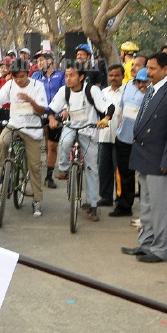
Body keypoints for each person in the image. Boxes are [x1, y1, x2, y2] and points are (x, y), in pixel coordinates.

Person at [121, 52, 167, 263]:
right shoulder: (152, 90)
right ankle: (146, 243)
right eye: (147, 68)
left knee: (161, 209)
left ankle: (161, 249)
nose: (147, 72)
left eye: (152, 69)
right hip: (144, 156)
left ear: (165, 69)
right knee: (147, 206)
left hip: (160, 160)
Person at [47, 63, 112, 221]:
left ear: (81, 77)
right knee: (64, 141)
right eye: (66, 75)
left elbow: (108, 106)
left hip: (89, 130)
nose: (68, 79)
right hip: (71, 126)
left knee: (91, 168)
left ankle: (92, 205)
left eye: (72, 75)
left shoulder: (92, 90)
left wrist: (106, 118)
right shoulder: (64, 91)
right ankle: (63, 168)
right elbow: (51, 109)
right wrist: (51, 119)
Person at [0, 58, 47, 217]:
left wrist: (30, 100)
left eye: (22, 76)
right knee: (1, 142)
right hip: (14, 125)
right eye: (16, 77)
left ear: (27, 74)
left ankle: (37, 200)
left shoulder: (37, 86)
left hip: (32, 129)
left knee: (34, 167)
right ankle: (2, 171)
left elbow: (42, 110)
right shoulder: (10, 85)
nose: (19, 80)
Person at [110, 66, 149, 217]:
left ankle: (147, 211)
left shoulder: (152, 93)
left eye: (145, 82)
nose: (141, 85)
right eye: (139, 82)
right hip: (123, 138)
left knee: (143, 176)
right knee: (123, 173)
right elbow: (121, 108)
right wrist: (119, 124)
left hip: (141, 141)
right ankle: (123, 205)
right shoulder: (127, 86)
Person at [32, 50, 65, 188]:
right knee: (33, 143)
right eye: (37, 61)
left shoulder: (61, 75)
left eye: (42, 60)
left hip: (55, 114)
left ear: (50, 61)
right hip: (38, 113)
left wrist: (64, 109)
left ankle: (49, 176)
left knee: (52, 146)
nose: (39, 63)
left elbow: (65, 93)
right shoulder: (35, 76)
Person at [97, 66, 123, 206]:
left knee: (119, 169)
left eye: (117, 75)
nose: (113, 78)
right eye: (111, 75)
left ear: (122, 76)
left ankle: (120, 197)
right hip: (104, 136)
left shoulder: (127, 92)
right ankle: (106, 197)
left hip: (121, 137)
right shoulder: (102, 93)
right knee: (104, 168)